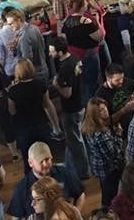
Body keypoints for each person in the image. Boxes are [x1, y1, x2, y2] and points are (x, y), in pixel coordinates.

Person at [7, 142, 85, 219]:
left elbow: (80, 194)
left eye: (47, 159)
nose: (45, 164)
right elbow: (16, 217)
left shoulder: (65, 173)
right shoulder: (21, 188)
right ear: (30, 163)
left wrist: (73, 214)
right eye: (41, 161)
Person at [50, 35, 90, 180]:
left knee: (76, 141)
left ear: (59, 52)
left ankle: (83, 171)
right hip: (81, 102)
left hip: (71, 108)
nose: (50, 54)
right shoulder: (74, 58)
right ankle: (71, 164)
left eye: (52, 51)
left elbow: (67, 93)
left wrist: (56, 85)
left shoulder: (65, 68)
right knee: (75, 138)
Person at [8, 59, 58, 173]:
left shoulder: (13, 91)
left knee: (28, 160)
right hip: (41, 124)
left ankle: (31, 185)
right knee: (46, 157)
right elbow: (46, 104)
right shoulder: (41, 85)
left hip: (23, 129)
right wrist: (55, 125)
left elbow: (12, 111)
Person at [82, 96, 124, 204]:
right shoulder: (101, 133)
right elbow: (114, 153)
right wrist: (119, 134)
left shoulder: (89, 126)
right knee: (110, 195)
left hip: (98, 166)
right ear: (95, 114)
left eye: (105, 107)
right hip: (108, 169)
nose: (105, 110)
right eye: (101, 110)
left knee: (106, 191)